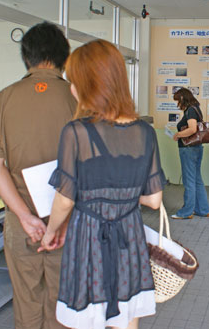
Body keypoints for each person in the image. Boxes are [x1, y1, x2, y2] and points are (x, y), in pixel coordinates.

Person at [39, 39, 165, 329]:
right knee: (127, 313)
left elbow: (65, 199)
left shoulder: (75, 133)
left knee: (85, 315)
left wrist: (51, 232)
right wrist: (123, 196)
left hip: (89, 236)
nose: (72, 88)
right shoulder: (145, 132)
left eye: (75, 82)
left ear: (88, 86)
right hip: (129, 235)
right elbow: (154, 200)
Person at [0, 21, 77, 329]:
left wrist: (24, 216)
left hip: (21, 224)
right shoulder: (80, 100)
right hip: (70, 223)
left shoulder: (2, 99)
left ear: (26, 58)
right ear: (65, 58)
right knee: (65, 303)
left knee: (26, 302)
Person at [171, 88, 209, 219]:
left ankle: (186, 212)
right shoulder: (196, 108)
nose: (178, 104)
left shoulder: (190, 110)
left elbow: (192, 129)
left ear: (182, 98)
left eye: (178, 100)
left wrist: (178, 134)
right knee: (197, 179)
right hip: (197, 148)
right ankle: (203, 209)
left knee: (189, 181)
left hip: (188, 149)